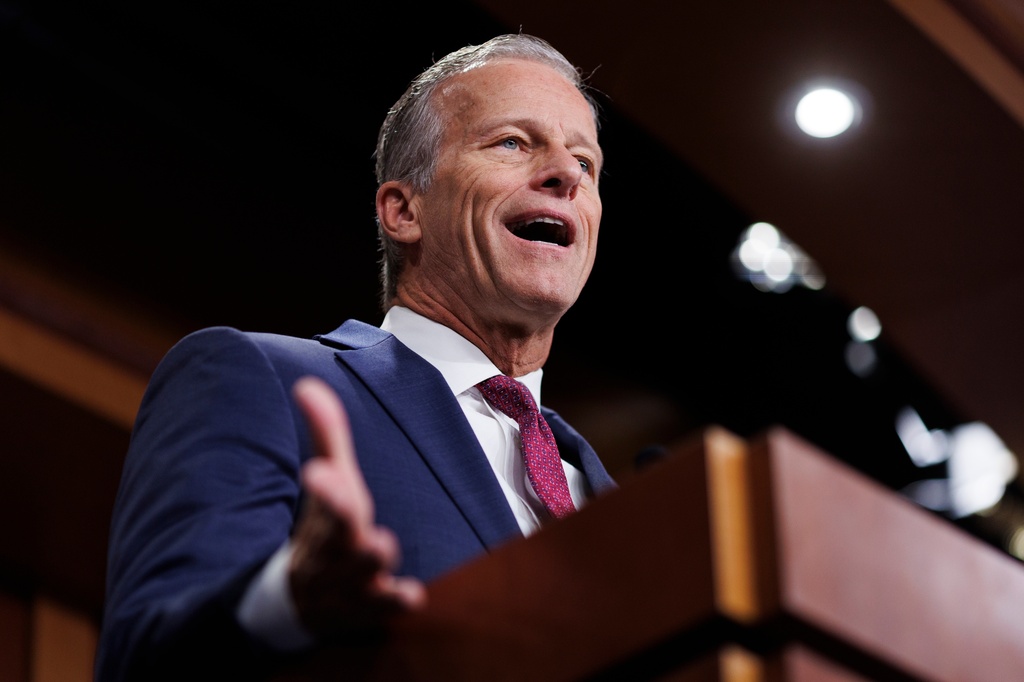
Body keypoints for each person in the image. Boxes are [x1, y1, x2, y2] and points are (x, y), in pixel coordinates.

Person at [95, 32, 617, 681]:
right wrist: (285, 604)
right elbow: (141, 661)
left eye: (585, 162)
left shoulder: (622, 502)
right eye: (512, 142)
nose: (566, 174)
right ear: (403, 211)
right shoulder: (261, 380)